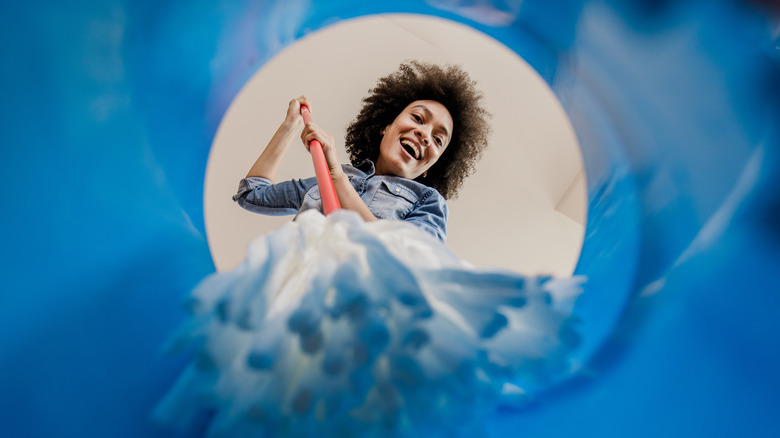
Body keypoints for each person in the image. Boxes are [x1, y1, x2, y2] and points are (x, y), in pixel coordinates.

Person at [233, 61, 491, 241]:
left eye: (437, 140)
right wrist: (290, 126)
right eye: (418, 118)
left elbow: (406, 259)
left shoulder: (428, 202)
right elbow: (252, 194)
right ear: (386, 126)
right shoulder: (328, 180)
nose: (425, 135)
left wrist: (336, 176)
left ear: (432, 167)